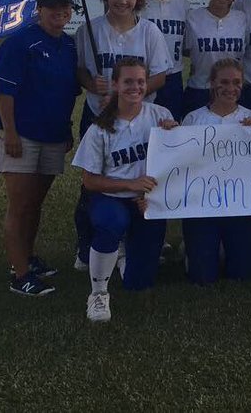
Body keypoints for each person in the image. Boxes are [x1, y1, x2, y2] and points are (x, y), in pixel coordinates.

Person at [73, 0, 171, 270]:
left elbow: (159, 76)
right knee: (93, 184)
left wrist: (126, 98)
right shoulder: (89, 30)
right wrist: (93, 86)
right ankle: (87, 245)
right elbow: (81, 70)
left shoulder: (149, 32)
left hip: (140, 118)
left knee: (141, 178)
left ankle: (135, 245)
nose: (123, 1)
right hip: (99, 115)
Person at [0, 0, 79, 296]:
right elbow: (4, 91)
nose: (59, 12)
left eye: (64, 7)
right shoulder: (19, 43)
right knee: (20, 205)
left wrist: (67, 128)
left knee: (35, 203)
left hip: (53, 134)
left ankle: (27, 257)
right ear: (38, 9)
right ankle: (20, 273)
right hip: (21, 135)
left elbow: (67, 92)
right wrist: (9, 131)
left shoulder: (68, 46)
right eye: (52, 6)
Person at [71, 57, 177, 322]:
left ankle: (124, 255)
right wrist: (130, 185)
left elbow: (173, 165)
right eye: (128, 81)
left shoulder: (161, 116)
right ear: (116, 84)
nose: (136, 87)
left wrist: (174, 136)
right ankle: (98, 293)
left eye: (141, 81)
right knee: (111, 222)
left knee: (139, 281)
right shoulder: (100, 128)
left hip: (146, 201)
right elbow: (90, 181)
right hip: (111, 198)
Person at [179, 58, 251, 284]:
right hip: (201, 205)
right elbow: (183, 162)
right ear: (212, 84)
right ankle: (193, 249)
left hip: (239, 204)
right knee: (202, 277)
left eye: (236, 82)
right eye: (224, 82)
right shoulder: (194, 119)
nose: (230, 88)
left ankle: (224, 246)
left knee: (242, 273)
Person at [182, 0, 245, 116]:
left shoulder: (242, 18)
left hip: (231, 92)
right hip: (199, 89)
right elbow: (185, 52)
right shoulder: (192, 17)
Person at [139, 0, 188, 121]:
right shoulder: (137, 0)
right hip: (143, 76)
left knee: (170, 133)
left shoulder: (183, 3)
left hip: (172, 77)